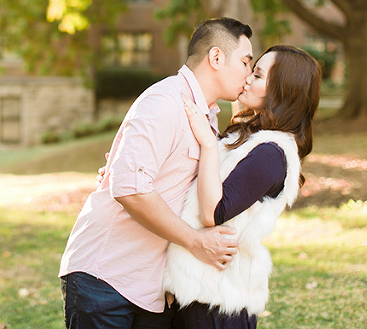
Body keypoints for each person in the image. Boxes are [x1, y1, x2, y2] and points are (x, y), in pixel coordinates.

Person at [59, 17, 254, 329]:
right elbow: (129, 188)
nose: (248, 74)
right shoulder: (164, 101)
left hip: (152, 289)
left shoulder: (208, 118)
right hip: (107, 279)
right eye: (246, 62)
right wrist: (195, 241)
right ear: (216, 58)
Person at [163, 45, 322, 329]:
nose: (247, 77)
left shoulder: (272, 152)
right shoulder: (248, 138)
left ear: (281, 92)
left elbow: (213, 212)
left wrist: (208, 144)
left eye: (258, 75)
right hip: (199, 291)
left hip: (220, 302)